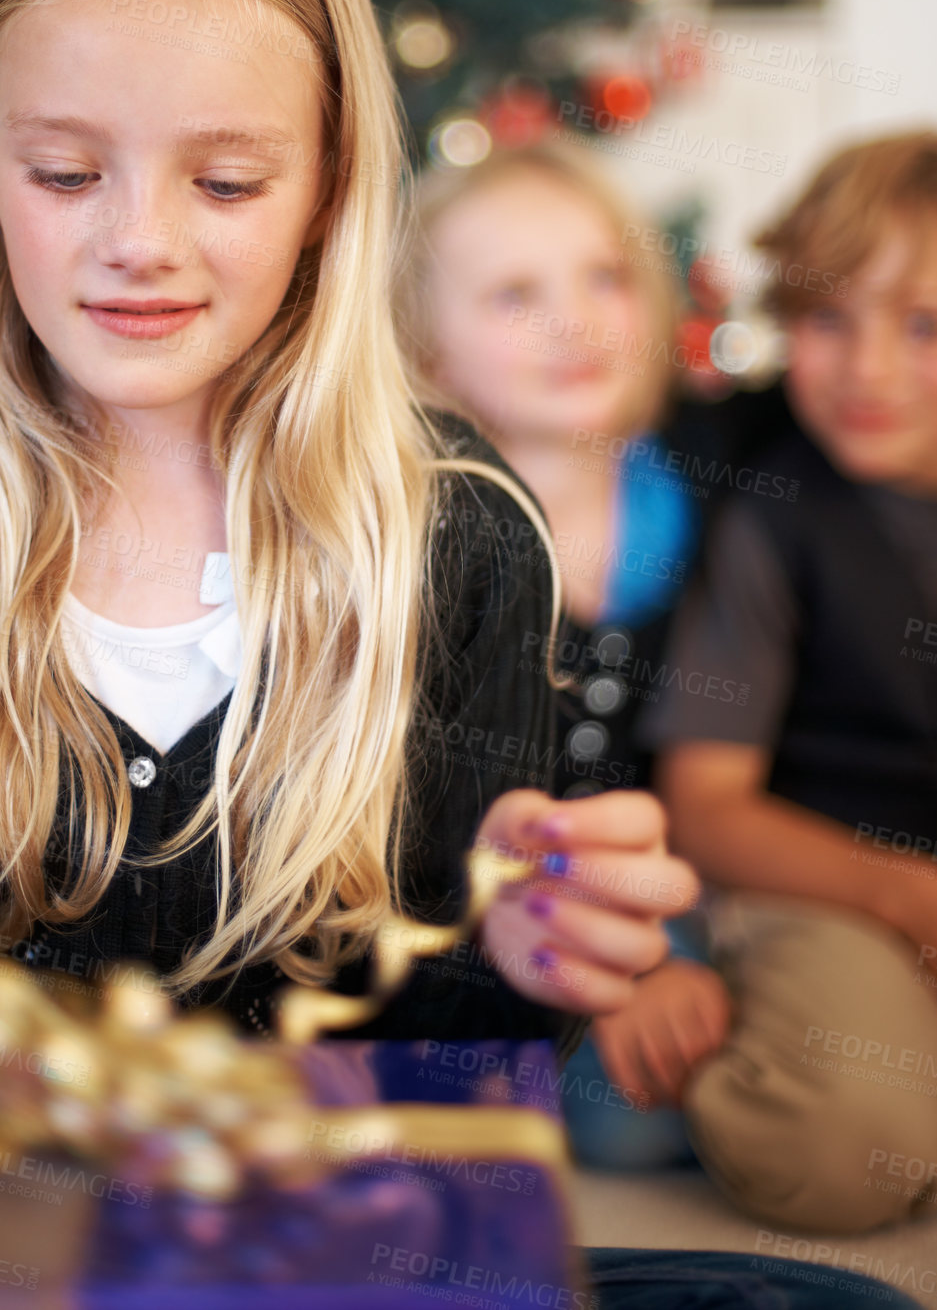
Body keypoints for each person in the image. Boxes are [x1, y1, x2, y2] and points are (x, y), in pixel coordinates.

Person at [0, 0, 920, 1309]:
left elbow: (446, 1082)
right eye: (67, 172)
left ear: (329, 181)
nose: (139, 242)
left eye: (226, 179)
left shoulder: (457, 532)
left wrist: (522, 959)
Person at [642, 132, 937, 1234]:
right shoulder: (773, 513)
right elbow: (706, 805)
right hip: (832, 894)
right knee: (837, 1150)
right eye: (827, 320)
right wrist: (909, 900)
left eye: (925, 326)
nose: (867, 369)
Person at [398, 143, 733, 1167]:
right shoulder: (420, 531)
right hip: (465, 894)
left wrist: (659, 962)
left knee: (653, 1109)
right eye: (512, 294)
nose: (575, 322)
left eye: (604, 277)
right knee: (586, 1116)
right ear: (427, 356)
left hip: (667, 878)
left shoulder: (707, 496)